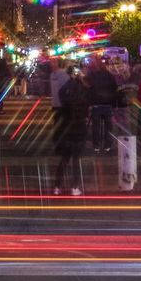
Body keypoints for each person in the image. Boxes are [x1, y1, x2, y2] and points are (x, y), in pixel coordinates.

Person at [54, 66, 90, 196]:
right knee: (76, 159)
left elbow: (62, 104)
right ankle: (75, 186)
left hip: (67, 126)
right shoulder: (83, 91)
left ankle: (57, 186)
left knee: (64, 158)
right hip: (79, 126)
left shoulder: (64, 90)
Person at [87, 57, 118, 153]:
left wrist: (90, 103)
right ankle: (107, 145)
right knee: (108, 127)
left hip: (97, 105)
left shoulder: (93, 76)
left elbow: (90, 90)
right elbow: (114, 89)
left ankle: (96, 145)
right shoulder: (110, 76)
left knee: (96, 127)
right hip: (107, 105)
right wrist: (114, 104)